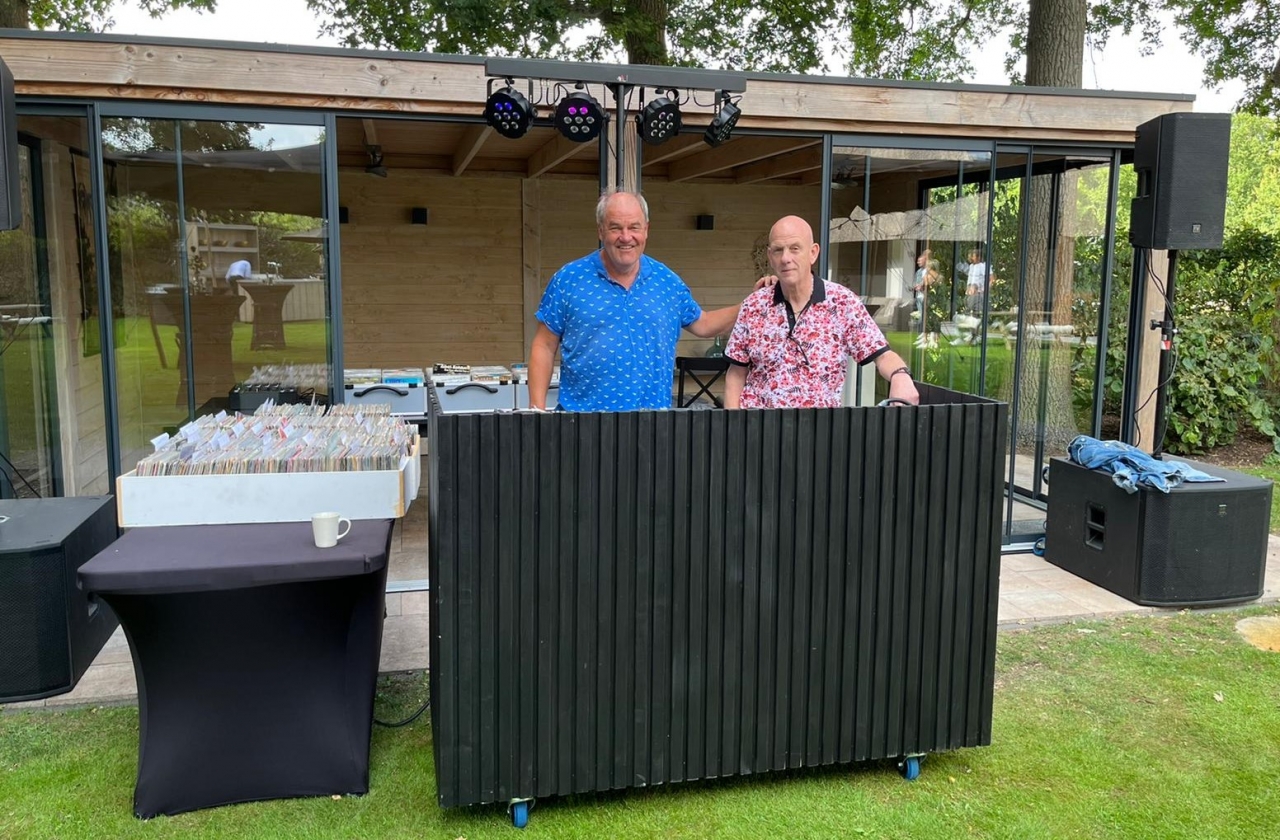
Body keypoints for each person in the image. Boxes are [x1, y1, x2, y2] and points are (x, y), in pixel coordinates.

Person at [526, 190, 752, 412]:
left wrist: (753, 304)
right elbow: (544, 346)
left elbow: (703, 323)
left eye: (634, 227)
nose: (626, 237)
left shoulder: (668, 282)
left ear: (646, 230)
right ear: (600, 231)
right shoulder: (569, 280)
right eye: (615, 227)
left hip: (650, 429)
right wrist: (536, 412)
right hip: (580, 425)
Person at [723, 215, 919, 409]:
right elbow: (736, 373)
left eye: (794, 248)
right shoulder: (753, 306)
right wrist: (733, 427)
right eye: (778, 250)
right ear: (770, 257)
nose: (785, 258)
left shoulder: (842, 302)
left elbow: (882, 355)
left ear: (813, 253)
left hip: (820, 431)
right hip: (759, 429)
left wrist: (900, 375)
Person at [965, 249, 991, 317]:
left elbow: (991, 279)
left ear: (978, 257)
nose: (971, 258)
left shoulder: (983, 266)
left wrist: (985, 289)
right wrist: (968, 289)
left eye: (972, 256)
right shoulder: (971, 266)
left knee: (977, 312)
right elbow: (970, 279)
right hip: (971, 293)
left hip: (979, 293)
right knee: (970, 311)